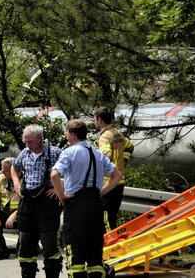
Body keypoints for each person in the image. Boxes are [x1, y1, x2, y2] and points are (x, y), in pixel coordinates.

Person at [51, 119, 122, 278]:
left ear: (73, 135)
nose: (67, 137)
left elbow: (54, 174)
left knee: (76, 254)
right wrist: (101, 192)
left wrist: (61, 196)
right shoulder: (97, 153)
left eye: (67, 134)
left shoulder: (69, 152)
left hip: (76, 206)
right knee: (95, 255)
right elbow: (117, 175)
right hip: (96, 205)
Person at [10, 124, 63, 278]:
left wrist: (60, 188)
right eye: (26, 142)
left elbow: (71, 169)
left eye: (30, 142)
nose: (27, 145)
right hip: (28, 202)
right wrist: (17, 184)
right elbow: (14, 167)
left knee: (49, 246)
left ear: (40, 139)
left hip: (47, 204)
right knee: (26, 244)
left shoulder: (55, 153)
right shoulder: (25, 153)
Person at [93, 106, 133, 232]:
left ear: (99, 120)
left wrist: (99, 168)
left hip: (108, 182)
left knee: (105, 218)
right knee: (111, 217)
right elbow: (130, 147)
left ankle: (110, 245)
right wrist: (124, 161)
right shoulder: (118, 134)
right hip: (119, 181)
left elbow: (106, 155)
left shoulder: (104, 137)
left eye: (94, 118)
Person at [0, 157, 20, 260]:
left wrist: (15, 214)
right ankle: (0, 248)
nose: (1, 171)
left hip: (21, 215)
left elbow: (29, 203)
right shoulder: (1, 179)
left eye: (4, 169)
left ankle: (23, 247)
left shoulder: (25, 180)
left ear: (12, 169)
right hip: (6, 214)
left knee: (28, 218)